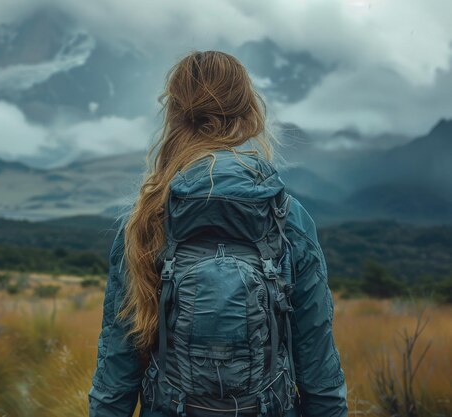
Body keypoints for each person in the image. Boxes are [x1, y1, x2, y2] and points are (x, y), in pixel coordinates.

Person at [88, 50, 348, 417]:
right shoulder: (288, 218)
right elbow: (319, 370)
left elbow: (115, 376)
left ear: (176, 114)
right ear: (249, 114)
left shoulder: (148, 217)